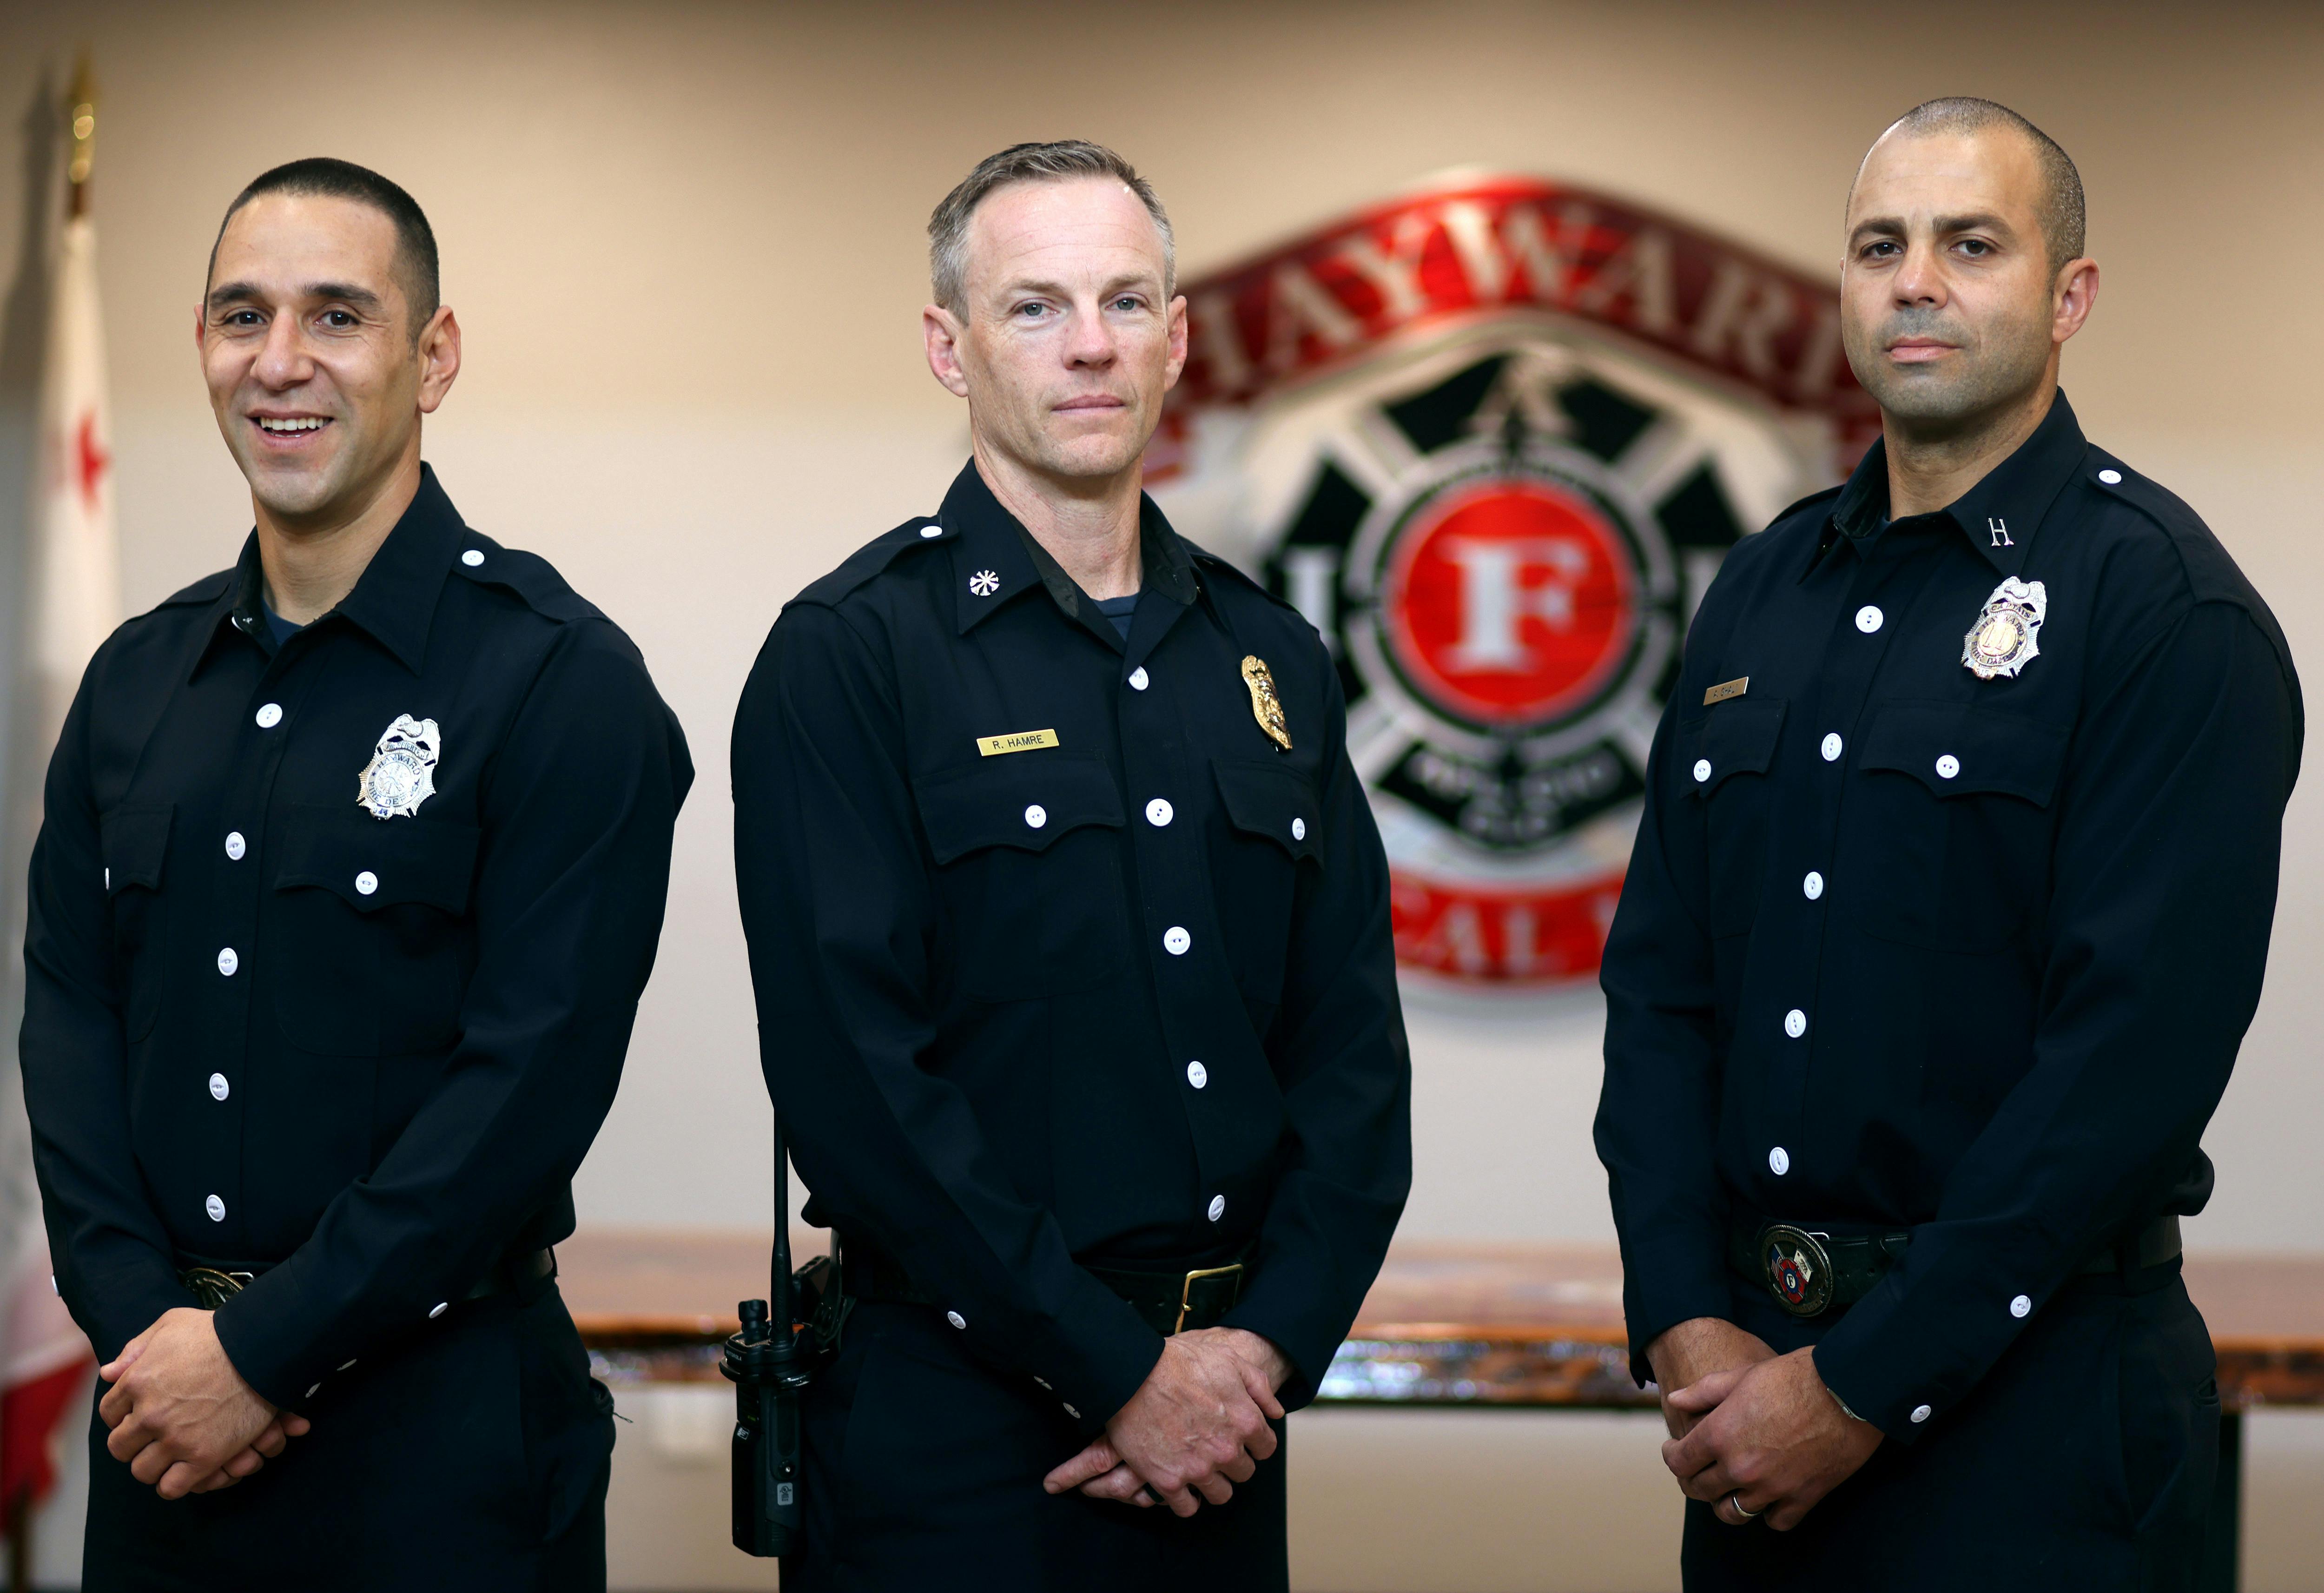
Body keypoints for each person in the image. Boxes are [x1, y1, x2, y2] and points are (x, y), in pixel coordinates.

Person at [1595, 97, 2301, 1590]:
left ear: (2070, 296)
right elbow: (1661, 987)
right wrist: (1684, 1315)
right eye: (1880, 246)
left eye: (1972, 245)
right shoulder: (1760, 590)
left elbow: (2124, 1071)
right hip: (1750, 1407)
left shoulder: (2165, 609)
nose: (1915, 281)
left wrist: (1860, 1384)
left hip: (2039, 1420)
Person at [731, 140, 1412, 1592]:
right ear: (950, 346)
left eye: (1125, 301)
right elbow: (858, 1089)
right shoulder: (850, 654)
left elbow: (1352, 1059)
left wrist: (1264, 1354)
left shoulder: (1270, 656)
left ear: (1178, 337)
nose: (1090, 344)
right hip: (953, 1436)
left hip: (1226, 1436)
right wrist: (1116, 1370)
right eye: (1035, 306)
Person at [19, 158, 692, 1590]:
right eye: (241, 316)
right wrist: (144, 1328)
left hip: (441, 1452)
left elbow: (524, 1094)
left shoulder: (562, 682)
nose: (280, 362)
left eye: (337, 315)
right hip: (161, 1435)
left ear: (431, 356)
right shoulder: (134, 681)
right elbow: (69, 1025)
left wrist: (257, 1354)